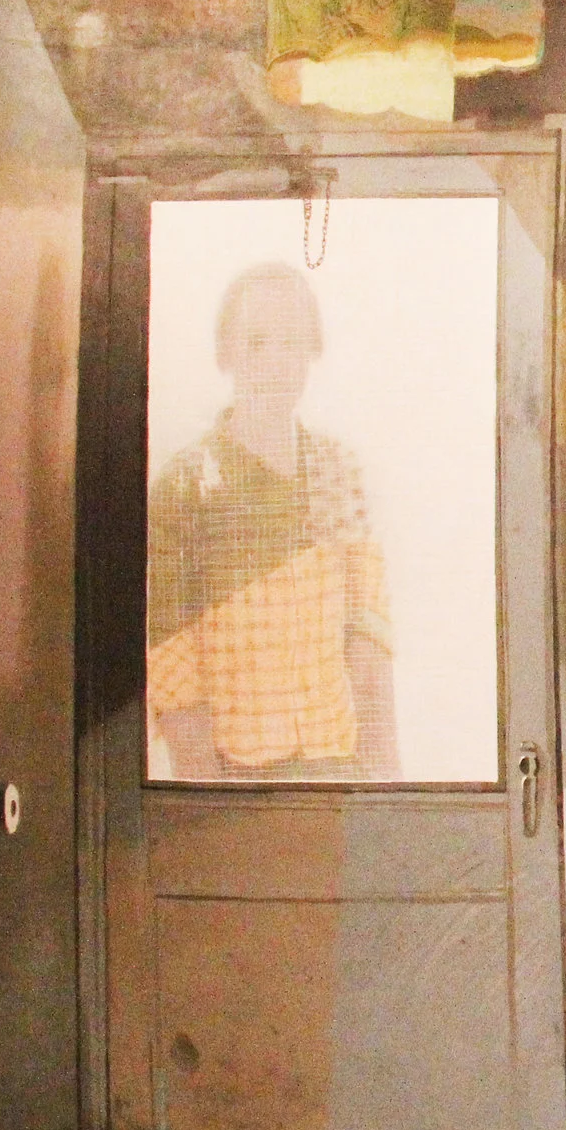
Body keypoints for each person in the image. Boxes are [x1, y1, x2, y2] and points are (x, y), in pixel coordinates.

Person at [146, 262, 400, 780]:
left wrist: (384, 781)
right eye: (256, 342)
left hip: (338, 769)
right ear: (225, 353)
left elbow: (367, 628)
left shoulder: (337, 469)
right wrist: (207, 796)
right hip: (237, 776)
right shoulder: (184, 485)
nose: (274, 362)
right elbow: (173, 665)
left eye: (291, 342)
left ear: (312, 352)